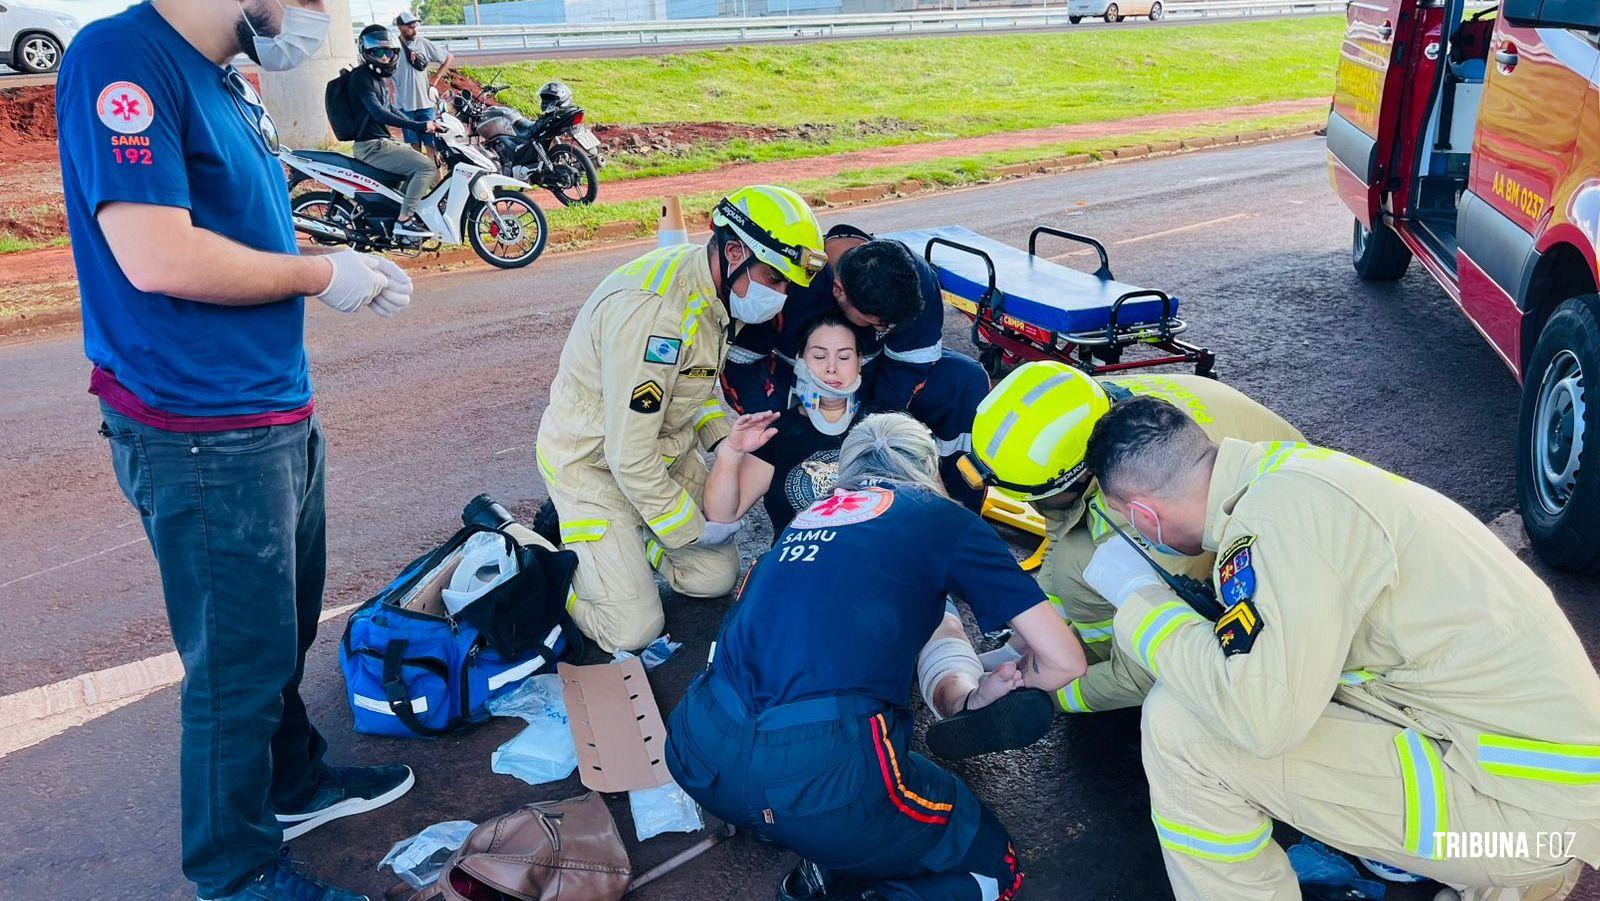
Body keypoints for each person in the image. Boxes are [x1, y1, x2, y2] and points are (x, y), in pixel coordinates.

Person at [55, 1, 416, 899]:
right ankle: (237, 870)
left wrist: (340, 260)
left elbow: (239, 226)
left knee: (280, 631)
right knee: (237, 662)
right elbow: (159, 257)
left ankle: (291, 783)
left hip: (267, 405)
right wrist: (318, 274)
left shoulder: (225, 77)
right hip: (200, 426)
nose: (320, 13)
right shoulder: (123, 62)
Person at [1080, 397, 1600, 901]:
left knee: (1180, 728)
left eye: (1133, 527)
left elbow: (1259, 721)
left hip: (1526, 825)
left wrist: (1139, 601)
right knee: (1289, 674)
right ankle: (1507, 878)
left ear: (1145, 516)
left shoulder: (1277, 524)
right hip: (1541, 785)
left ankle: (1511, 870)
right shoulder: (1291, 479)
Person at [666, 413, 1087, 901]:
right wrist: (1010, 688)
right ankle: (847, 875)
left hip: (697, 749)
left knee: (801, 785)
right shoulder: (943, 518)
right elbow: (1065, 662)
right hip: (819, 770)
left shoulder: (807, 520)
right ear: (929, 469)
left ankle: (800, 840)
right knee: (995, 869)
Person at [916, 362, 1303, 760]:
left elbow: (1149, 667)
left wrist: (1043, 691)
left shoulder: (1157, 514)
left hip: (1283, 549)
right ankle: (1068, 647)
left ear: (1075, 480)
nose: (1033, 506)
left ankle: (1091, 658)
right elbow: (1061, 526)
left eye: (1035, 498)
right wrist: (1028, 639)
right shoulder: (1080, 411)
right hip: (1265, 472)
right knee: (1075, 557)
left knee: (1089, 567)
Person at [535, 185, 826, 653]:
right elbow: (626, 456)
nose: (781, 294)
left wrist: (721, 440)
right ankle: (539, 556)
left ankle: (631, 540)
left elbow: (691, 387)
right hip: (593, 462)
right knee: (631, 631)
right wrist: (689, 528)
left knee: (713, 578)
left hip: (659, 450)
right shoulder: (655, 317)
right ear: (734, 251)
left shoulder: (712, 291)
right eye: (775, 278)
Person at [722, 225, 990, 510]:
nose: (884, 329)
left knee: (966, 380)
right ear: (838, 291)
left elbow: (911, 366)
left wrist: (879, 427)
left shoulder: (916, 279)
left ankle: (957, 510)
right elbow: (741, 362)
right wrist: (775, 423)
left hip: (879, 372)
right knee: (774, 429)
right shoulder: (789, 281)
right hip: (794, 376)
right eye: (876, 323)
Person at [704, 314, 884, 534]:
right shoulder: (775, 433)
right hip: (799, 561)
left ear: (859, 363)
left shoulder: (885, 426)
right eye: (819, 356)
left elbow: (928, 505)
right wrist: (731, 452)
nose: (831, 368)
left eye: (844, 357)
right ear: (800, 362)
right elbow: (721, 515)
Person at [346, 25, 438, 243]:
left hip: (381, 142)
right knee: (427, 167)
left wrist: (424, 122)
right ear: (366, 52)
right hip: (371, 146)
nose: (385, 58)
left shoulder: (377, 78)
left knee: (414, 168)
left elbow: (390, 109)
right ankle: (404, 221)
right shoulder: (361, 78)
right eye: (379, 53)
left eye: (389, 53)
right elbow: (378, 113)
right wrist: (418, 127)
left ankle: (398, 213)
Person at [391, 10, 453, 154]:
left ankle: (438, 177)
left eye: (414, 26)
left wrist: (435, 79)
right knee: (415, 150)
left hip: (426, 105)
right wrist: (391, 90)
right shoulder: (393, 46)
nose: (413, 30)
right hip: (404, 108)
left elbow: (448, 58)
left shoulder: (423, 43)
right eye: (409, 26)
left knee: (432, 148)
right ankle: (422, 175)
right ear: (400, 27)